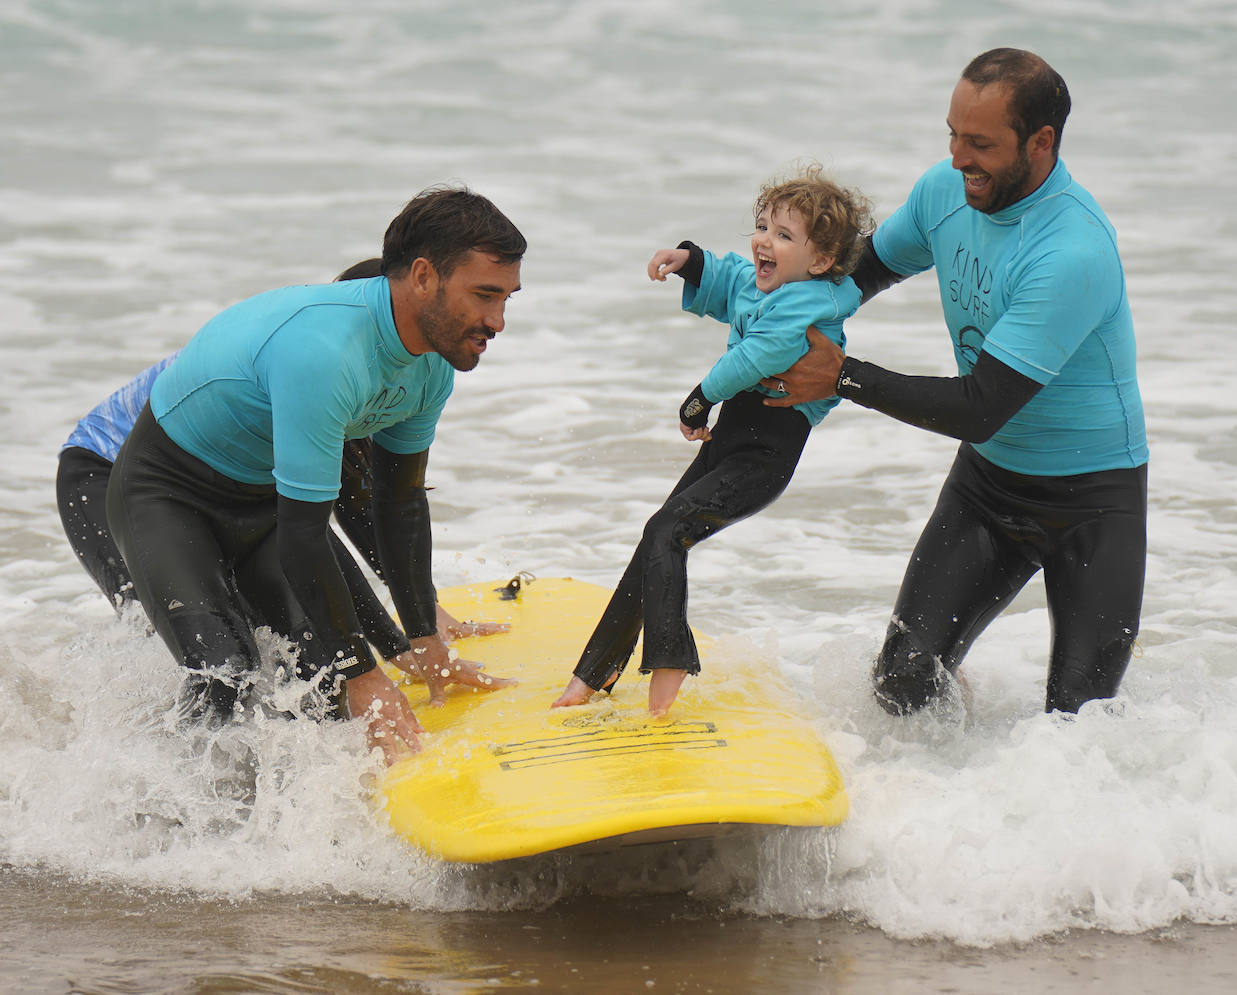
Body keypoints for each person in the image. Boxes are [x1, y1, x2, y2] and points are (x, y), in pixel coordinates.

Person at [763, 49, 1148, 715]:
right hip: (989, 487)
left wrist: (842, 375)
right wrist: (770, 321)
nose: (959, 158)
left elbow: (980, 408)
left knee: (1080, 727)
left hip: (1093, 506)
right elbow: (861, 275)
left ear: (1041, 141)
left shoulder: (1071, 250)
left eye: (980, 143)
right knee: (902, 687)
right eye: (952, 135)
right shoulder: (945, 193)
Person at [105, 186, 526, 757]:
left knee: (322, 686)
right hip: (169, 495)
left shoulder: (431, 369)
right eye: (483, 295)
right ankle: (158, 821)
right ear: (423, 276)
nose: (497, 320)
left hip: (264, 507)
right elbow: (307, 536)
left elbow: (399, 507)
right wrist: (366, 676)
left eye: (506, 298)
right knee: (224, 677)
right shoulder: (324, 350)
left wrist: (424, 639)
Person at [56, 261, 505, 656]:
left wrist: (419, 617)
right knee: (185, 634)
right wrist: (398, 643)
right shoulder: (322, 366)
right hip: (104, 469)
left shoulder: (376, 367)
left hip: (222, 480)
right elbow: (333, 521)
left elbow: (359, 513)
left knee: (276, 637)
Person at [553, 165, 873, 716]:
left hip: (764, 453)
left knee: (667, 532)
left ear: (820, 261)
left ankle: (669, 666)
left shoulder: (810, 303)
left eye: (784, 235)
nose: (764, 243)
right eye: (764, 227)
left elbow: (760, 355)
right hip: (730, 441)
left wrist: (702, 396)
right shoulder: (772, 281)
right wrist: (692, 261)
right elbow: (732, 280)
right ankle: (592, 675)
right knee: (655, 539)